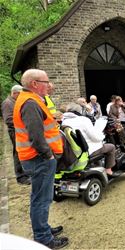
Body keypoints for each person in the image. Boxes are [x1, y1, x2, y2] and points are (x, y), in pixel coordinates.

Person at [13, 69, 68, 248]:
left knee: (40, 197)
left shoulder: (31, 100)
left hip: (37, 158)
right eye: (46, 82)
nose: (48, 85)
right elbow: (36, 136)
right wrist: (49, 155)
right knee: (41, 199)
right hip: (39, 159)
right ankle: (44, 238)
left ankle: (43, 228)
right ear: (35, 84)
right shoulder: (30, 103)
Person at [62, 103, 118, 176]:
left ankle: (98, 165)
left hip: (74, 151)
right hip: (87, 150)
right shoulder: (84, 120)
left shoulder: (64, 121)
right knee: (111, 147)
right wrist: (102, 135)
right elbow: (95, 137)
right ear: (80, 111)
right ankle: (108, 170)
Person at [1, 85, 30, 185]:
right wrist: (24, 123)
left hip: (20, 131)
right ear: (15, 93)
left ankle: (26, 173)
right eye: (20, 94)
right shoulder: (8, 103)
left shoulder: (15, 102)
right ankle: (21, 177)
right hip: (15, 132)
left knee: (22, 152)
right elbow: (8, 120)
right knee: (18, 153)